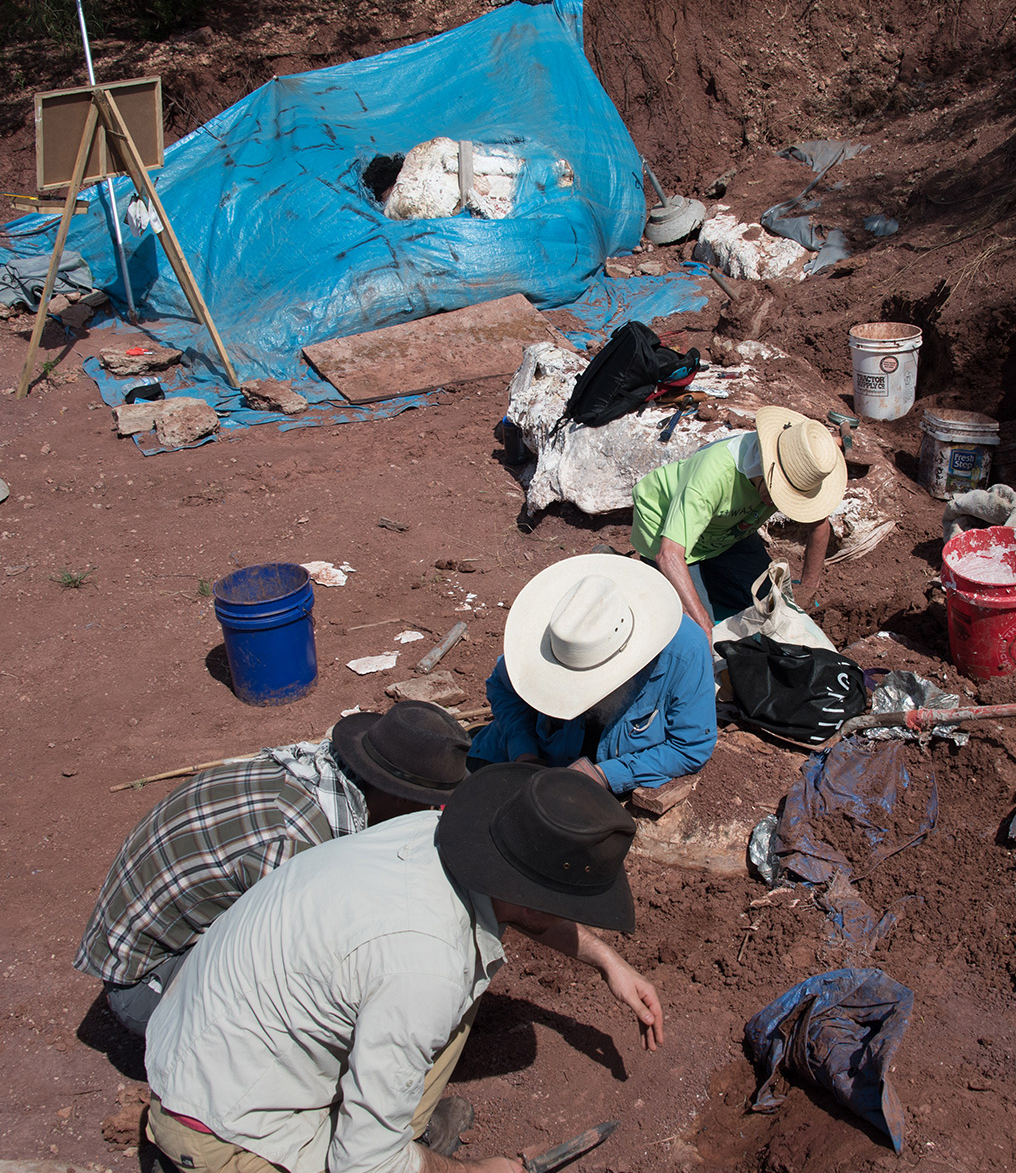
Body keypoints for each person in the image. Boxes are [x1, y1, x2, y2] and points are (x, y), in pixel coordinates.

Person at [140, 763, 663, 1173]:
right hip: (221, 1125)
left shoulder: (438, 837)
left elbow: (523, 907)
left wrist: (606, 960)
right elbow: (364, 1165)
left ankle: (381, 1139)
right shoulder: (425, 965)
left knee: (466, 976)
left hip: (223, 1038)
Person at [75, 702, 471, 1036]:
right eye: (426, 804)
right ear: (398, 799)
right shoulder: (295, 843)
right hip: (145, 987)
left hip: (162, 937)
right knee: (327, 1003)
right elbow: (305, 955)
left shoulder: (312, 773)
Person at [468, 555, 715, 791]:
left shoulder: (684, 651)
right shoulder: (561, 626)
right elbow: (502, 684)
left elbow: (690, 746)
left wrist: (606, 775)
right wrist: (524, 752)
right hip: (523, 763)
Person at [629, 405, 847, 632]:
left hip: (727, 529)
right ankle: (623, 575)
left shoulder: (800, 469)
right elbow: (669, 554)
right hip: (664, 525)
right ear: (764, 468)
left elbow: (820, 524)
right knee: (690, 629)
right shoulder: (713, 478)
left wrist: (809, 587)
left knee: (772, 607)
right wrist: (703, 621)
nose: (775, 504)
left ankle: (712, 577)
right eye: (778, 494)